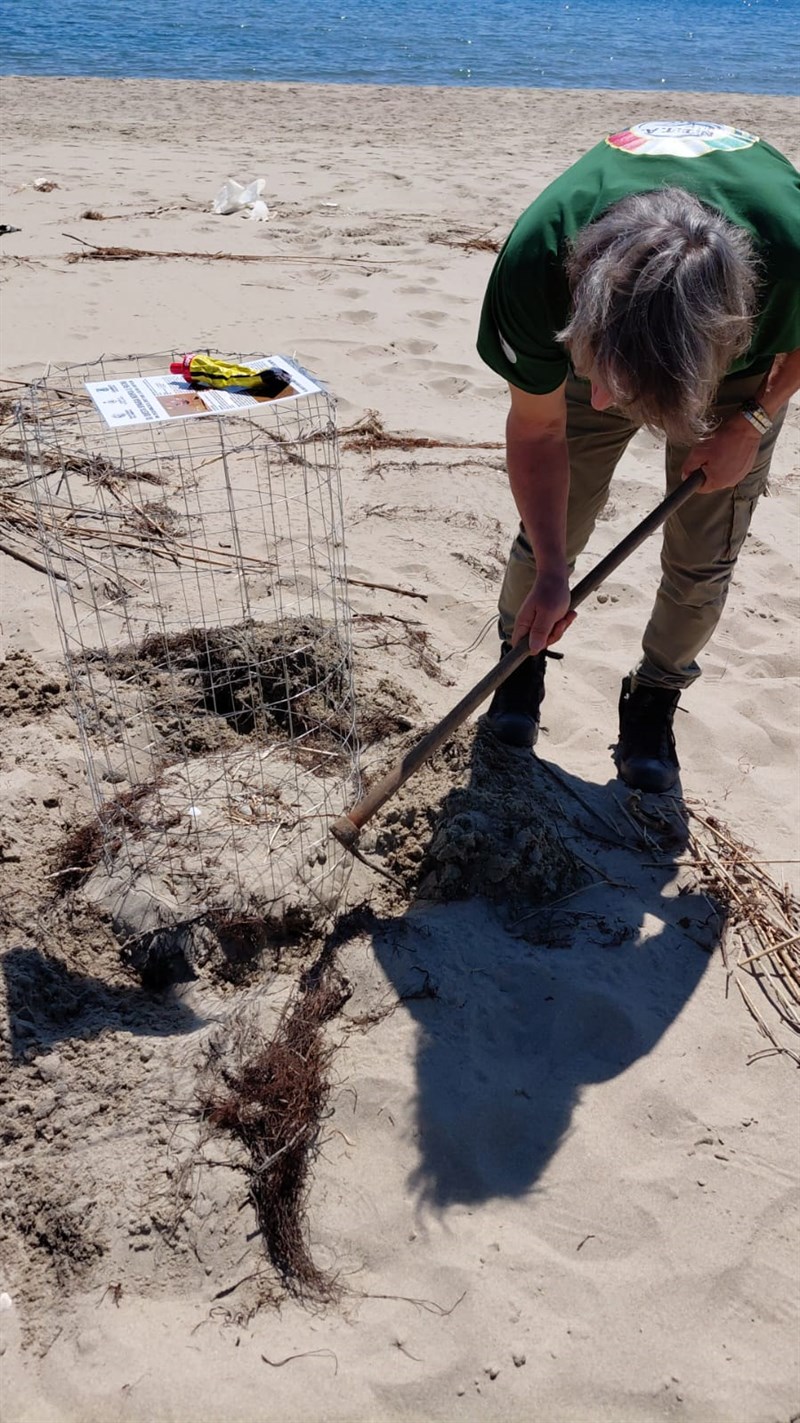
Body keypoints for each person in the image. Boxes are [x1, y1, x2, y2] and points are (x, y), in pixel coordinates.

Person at [477, 119, 800, 792]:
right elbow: (539, 431)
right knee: (547, 537)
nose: (598, 402)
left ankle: (653, 698)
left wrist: (754, 417)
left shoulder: (790, 249)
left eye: (621, 388)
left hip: (736, 376)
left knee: (704, 550)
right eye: (595, 373)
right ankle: (521, 662)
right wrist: (555, 569)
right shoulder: (537, 268)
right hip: (594, 324)